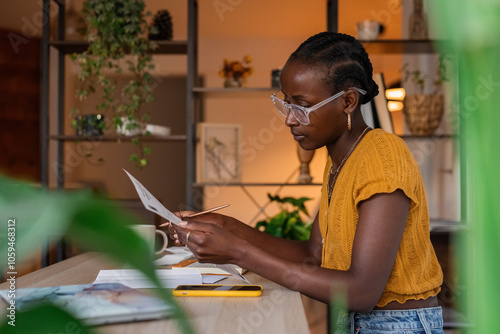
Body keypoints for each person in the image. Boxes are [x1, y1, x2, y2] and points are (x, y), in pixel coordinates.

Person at [166, 32, 444, 333]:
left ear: (348, 101)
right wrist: (225, 225)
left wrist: (238, 252)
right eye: (285, 103)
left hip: (395, 326)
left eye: (302, 105)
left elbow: (362, 291)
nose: (289, 119)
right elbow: (314, 255)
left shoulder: (381, 156)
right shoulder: (340, 160)